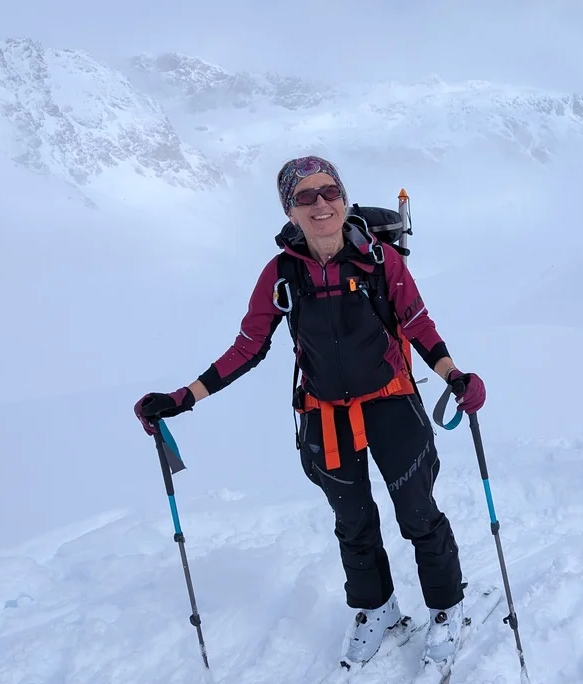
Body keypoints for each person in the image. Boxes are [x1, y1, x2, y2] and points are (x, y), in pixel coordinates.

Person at [132, 155, 486, 669]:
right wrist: (183, 397)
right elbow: (248, 346)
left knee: (418, 514)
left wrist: (455, 375)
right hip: (325, 415)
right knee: (353, 521)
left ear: (343, 198)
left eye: (329, 192)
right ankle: (376, 608)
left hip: (392, 402)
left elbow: (418, 324)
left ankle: (447, 608)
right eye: (306, 197)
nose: (321, 203)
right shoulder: (281, 275)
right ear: (290, 211)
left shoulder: (382, 260)